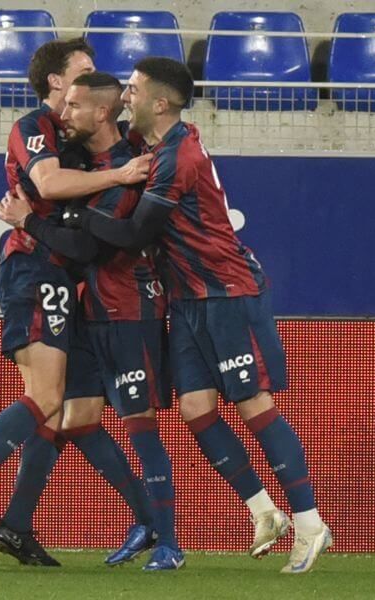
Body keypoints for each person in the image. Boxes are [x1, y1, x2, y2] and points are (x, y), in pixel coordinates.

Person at [61, 57, 333, 574]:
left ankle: (311, 522)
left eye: (135, 91)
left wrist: (80, 217)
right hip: (185, 298)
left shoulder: (176, 157)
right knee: (195, 408)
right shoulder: (156, 145)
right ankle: (263, 509)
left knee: (253, 403)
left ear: (159, 103)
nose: (125, 98)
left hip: (225, 291)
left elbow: (136, 233)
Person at [0, 39, 153, 567]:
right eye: (84, 72)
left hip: (69, 278)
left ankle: (17, 524)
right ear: (57, 82)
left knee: (76, 413)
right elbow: (49, 182)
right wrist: (120, 176)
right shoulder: (35, 126)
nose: (94, 79)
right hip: (36, 267)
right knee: (47, 396)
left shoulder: (89, 138)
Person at [0, 72, 183, 571]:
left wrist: (32, 222)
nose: (64, 112)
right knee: (78, 418)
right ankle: (142, 521)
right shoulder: (90, 164)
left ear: (101, 113)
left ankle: (167, 539)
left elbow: (87, 246)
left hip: (129, 309)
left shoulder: (125, 166)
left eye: (75, 104)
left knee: (140, 425)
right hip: (92, 308)